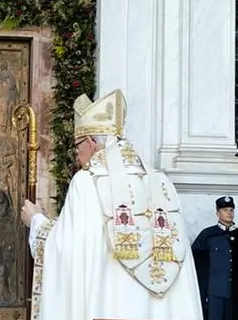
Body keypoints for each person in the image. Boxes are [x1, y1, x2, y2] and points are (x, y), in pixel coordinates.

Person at [20, 89, 203, 320]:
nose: (77, 154)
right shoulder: (162, 182)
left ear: (91, 142)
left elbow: (67, 251)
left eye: (77, 146)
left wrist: (37, 222)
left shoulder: (87, 182)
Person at [192, 196, 238, 320]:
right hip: (214, 293)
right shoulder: (207, 235)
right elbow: (197, 265)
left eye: (231, 210)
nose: (229, 213)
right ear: (218, 213)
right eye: (225, 210)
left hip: (237, 293)